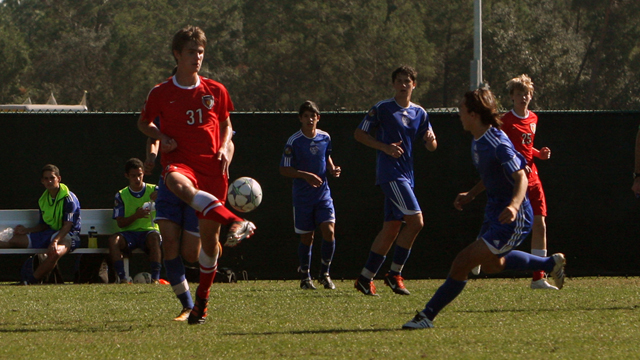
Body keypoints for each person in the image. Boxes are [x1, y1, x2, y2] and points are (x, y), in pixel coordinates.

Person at [402, 87, 566, 330]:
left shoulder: (496, 142)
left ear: (474, 114)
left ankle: (426, 316)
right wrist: (472, 193)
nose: (458, 114)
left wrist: (513, 205)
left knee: (462, 262)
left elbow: (521, 178)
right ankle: (548, 264)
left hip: (513, 217)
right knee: (491, 265)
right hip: (495, 211)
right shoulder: (478, 140)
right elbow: (492, 174)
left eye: (461, 110)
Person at [137, 25, 255, 325]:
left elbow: (228, 125)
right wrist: (160, 137)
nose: (197, 57)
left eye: (200, 52)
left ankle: (200, 302)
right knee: (174, 181)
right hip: (181, 166)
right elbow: (144, 123)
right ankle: (236, 220)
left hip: (212, 172)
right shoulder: (161, 92)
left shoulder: (216, 90)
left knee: (200, 250)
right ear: (177, 54)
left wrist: (226, 147)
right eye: (191, 52)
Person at [353, 65, 437, 296]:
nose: (403, 85)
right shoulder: (382, 108)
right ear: (393, 84)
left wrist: (430, 140)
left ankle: (365, 277)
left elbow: (432, 146)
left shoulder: (420, 112)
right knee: (416, 222)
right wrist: (384, 148)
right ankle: (394, 273)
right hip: (391, 175)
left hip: (407, 176)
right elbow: (359, 134)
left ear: (414, 85)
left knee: (391, 228)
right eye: (399, 81)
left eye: (407, 81)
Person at [496, 74, 556, 290]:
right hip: (515, 180)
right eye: (520, 94)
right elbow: (505, 150)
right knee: (506, 225)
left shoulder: (533, 119)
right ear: (512, 96)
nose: (524, 98)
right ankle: (479, 254)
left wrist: (538, 154)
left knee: (540, 224)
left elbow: (526, 146)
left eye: (527, 94)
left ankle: (538, 277)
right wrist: (519, 164)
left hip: (534, 179)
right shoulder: (505, 121)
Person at [279, 100, 341, 290]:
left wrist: (332, 168)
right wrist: (304, 175)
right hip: (303, 197)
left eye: (312, 116)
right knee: (307, 237)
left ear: (318, 118)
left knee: (329, 231)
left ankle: (325, 273)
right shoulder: (294, 141)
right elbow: (284, 168)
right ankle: (305, 276)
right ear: (300, 119)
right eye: (305, 116)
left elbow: (326, 156)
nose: (309, 119)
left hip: (323, 194)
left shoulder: (325, 137)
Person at [0, 164, 81, 284]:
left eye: (52, 178)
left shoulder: (69, 199)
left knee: (55, 253)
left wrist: (55, 241)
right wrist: (27, 230)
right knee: (8, 240)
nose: (49, 181)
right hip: (48, 234)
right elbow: (43, 225)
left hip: (68, 235)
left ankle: (30, 281)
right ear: (42, 181)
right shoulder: (43, 200)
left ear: (58, 179)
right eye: (46, 178)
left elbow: (67, 226)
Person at [108, 158, 162, 284]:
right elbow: (120, 223)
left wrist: (163, 197)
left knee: (154, 238)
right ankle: (122, 278)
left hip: (149, 232)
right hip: (129, 234)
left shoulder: (155, 191)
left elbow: (174, 201)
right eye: (133, 176)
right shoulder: (121, 195)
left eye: (139, 175)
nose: (137, 179)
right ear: (127, 176)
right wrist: (136, 216)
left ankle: (155, 278)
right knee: (113, 240)